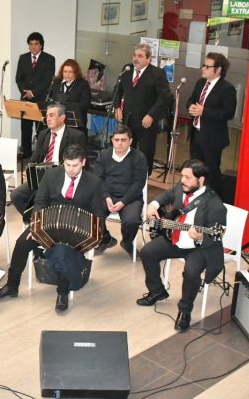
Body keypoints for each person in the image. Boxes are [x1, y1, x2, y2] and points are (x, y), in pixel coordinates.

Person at [0, 145, 105, 311]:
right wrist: (35, 225)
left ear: (83, 162)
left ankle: (62, 292)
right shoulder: (51, 175)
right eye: (67, 165)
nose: (71, 169)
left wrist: (97, 234)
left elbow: (98, 212)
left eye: (75, 165)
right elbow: (39, 202)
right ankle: (12, 285)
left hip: (75, 230)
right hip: (48, 224)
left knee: (63, 251)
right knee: (22, 243)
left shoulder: (94, 183)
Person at [136, 159, 226, 332]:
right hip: (176, 239)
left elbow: (217, 235)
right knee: (147, 252)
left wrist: (200, 237)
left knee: (191, 272)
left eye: (188, 177)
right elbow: (168, 194)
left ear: (201, 180)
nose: (182, 180)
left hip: (199, 248)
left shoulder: (216, 205)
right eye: (182, 175)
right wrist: (153, 204)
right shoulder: (182, 186)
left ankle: (185, 311)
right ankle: (157, 291)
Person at [10, 103, 86, 221]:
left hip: (62, 177)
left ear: (62, 118)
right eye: (47, 116)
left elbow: (80, 163)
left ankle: (47, 222)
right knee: (16, 195)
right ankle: (36, 222)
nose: (48, 119)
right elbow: (36, 157)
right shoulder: (43, 134)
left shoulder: (76, 136)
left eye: (51, 115)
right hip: (41, 177)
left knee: (50, 199)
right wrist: (29, 170)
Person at [113, 43, 171, 175]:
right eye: (134, 55)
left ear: (148, 59)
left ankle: (143, 180)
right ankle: (125, 175)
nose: (136, 59)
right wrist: (117, 107)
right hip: (127, 120)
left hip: (146, 122)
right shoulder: (127, 70)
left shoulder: (157, 73)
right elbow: (118, 90)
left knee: (145, 153)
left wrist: (152, 115)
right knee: (126, 152)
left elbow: (164, 97)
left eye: (140, 56)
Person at [187, 52, 237, 197]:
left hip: (213, 138)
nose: (203, 68)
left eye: (207, 66)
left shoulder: (227, 88)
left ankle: (214, 199)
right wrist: (190, 106)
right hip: (196, 134)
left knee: (211, 171)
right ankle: (195, 196)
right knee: (195, 169)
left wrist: (204, 111)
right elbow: (191, 100)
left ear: (218, 69)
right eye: (203, 65)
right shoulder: (200, 82)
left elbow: (228, 113)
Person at [94, 124, 148, 256]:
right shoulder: (103, 156)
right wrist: (107, 197)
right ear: (112, 140)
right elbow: (98, 179)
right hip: (107, 196)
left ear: (130, 141)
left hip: (130, 198)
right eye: (116, 140)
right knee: (92, 214)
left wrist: (123, 202)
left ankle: (127, 242)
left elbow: (138, 184)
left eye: (123, 140)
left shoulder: (139, 157)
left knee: (132, 221)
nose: (119, 143)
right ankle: (105, 239)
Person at [16, 32, 56, 158]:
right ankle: (26, 152)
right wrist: (25, 92)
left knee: (41, 129)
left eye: (36, 44)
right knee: (26, 128)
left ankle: (41, 155)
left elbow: (47, 80)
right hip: (25, 98)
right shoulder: (23, 58)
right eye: (31, 44)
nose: (33, 47)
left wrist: (33, 93)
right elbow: (19, 78)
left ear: (41, 45)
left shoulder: (49, 59)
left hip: (41, 99)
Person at [47, 59, 92, 137]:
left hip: (76, 123)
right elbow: (50, 98)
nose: (67, 74)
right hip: (58, 121)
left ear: (76, 73)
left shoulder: (83, 84)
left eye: (70, 72)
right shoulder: (56, 82)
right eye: (65, 72)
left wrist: (68, 107)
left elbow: (85, 104)